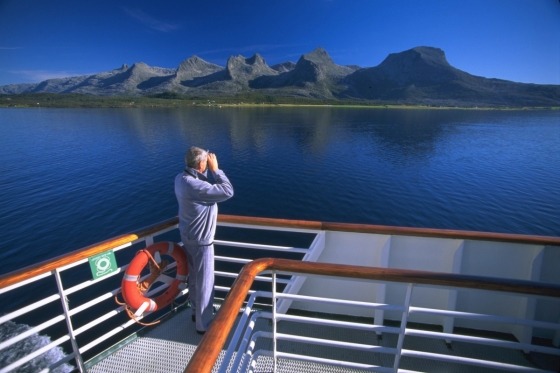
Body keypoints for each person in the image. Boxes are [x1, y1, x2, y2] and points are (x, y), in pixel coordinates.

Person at [174, 146, 234, 334]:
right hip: (201, 242)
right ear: (201, 164)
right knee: (205, 282)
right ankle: (204, 324)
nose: (208, 163)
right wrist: (216, 170)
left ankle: (195, 312)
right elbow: (227, 191)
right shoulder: (196, 186)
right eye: (206, 161)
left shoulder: (180, 178)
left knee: (194, 278)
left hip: (188, 236)